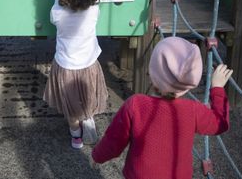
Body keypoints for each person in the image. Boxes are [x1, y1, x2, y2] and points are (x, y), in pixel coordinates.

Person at [91, 36, 233, 179]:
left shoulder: (136, 105)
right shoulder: (193, 110)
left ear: (153, 72)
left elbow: (113, 141)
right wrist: (217, 89)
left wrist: (97, 155)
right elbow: (220, 123)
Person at [43, 0, 108, 149]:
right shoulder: (94, 9)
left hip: (65, 67)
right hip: (88, 64)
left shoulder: (56, 10)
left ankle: (76, 137)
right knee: (88, 96)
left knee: (71, 109)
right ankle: (88, 118)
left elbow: (55, 16)